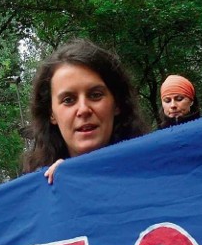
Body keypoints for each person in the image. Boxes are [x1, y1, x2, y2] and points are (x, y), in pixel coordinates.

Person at [23, 39, 147, 183]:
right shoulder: (37, 192)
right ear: (51, 114)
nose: (83, 110)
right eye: (68, 100)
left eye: (95, 95)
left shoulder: (154, 169)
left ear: (117, 104)